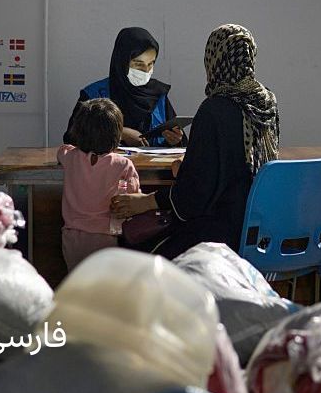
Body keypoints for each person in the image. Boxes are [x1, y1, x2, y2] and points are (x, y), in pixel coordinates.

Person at [110, 24, 280, 259]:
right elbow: (238, 169)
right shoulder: (267, 103)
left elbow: (192, 198)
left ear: (214, 59)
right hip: (261, 229)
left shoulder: (214, 109)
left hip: (218, 237)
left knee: (133, 250)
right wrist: (190, 170)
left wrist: (145, 202)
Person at [64, 27, 185, 147]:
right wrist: (120, 133)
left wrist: (175, 140)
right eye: (138, 64)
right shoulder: (94, 95)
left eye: (150, 64)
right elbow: (71, 139)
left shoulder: (158, 95)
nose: (146, 70)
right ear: (122, 62)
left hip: (153, 161)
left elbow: (181, 143)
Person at [58, 98, 140, 270]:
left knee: (77, 281)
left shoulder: (71, 157)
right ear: (117, 134)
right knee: (104, 283)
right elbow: (133, 198)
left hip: (71, 237)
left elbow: (63, 149)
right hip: (107, 237)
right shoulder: (123, 164)